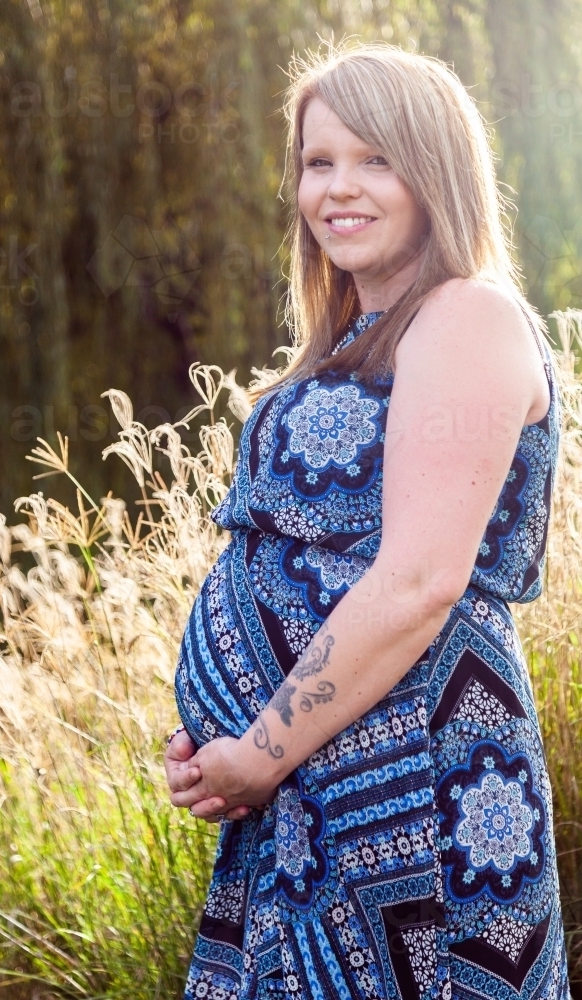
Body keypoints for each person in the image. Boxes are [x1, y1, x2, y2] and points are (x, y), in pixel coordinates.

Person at [164, 41, 570, 1000]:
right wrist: (229, 749)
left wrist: (258, 750)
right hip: (319, 780)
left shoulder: (465, 317)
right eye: (317, 162)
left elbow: (418, 579)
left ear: (434, 171)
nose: (336, 188)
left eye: (373, 158)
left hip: (415, 780)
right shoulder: (354, 338)